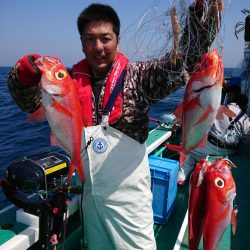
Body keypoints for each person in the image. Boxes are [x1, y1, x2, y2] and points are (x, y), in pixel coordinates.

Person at [8, 1, 221, 249]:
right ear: (81, 43)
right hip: (90, 200)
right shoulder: (67, 84)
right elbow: (28, 103)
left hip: (129, 205)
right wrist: (22, 76)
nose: (98, 47)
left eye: (105, 38)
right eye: (90, 39)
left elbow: (181, 65)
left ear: (117, 40)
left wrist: (197, 25)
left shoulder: (139, 77)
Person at [178, 92, 250, 186]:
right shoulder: (246, 119)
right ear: (244, 105)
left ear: (232, 101)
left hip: (211, 145)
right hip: (229, 151)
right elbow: (247, 138)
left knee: (190, 153)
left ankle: (182, 176)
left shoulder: (218, 109)